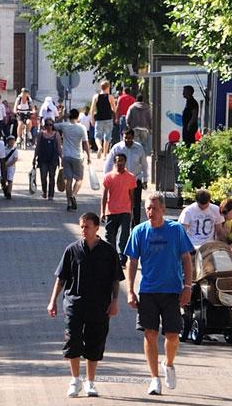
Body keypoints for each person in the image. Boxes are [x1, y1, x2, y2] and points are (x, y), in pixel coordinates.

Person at [123, 192, 195, 396]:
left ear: (163, 209)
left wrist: (187, 287)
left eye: (154, 208)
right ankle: (154, 379)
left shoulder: (175, 230)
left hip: (172, 290)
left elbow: (186, 259)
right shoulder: (139, 231)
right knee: (150, 333)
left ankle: (168, 363)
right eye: (147, 208)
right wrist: (130, 290)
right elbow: (132, 261)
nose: (150, 212)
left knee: (172, 336)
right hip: (148, 291)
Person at [49, 210, 122, 399]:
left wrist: (115, 301)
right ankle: (75, 379)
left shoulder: (108, 251)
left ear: (97, 227)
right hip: (74, 304)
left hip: (99, 305)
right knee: (72, 340)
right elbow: (61, 278)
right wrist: (53, 301)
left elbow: (115, 279)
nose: (83, 230)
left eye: (87, 227)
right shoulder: (72, 249)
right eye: (81, 226)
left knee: (95, 343)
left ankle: (90, 382)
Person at [109, 129, 149, 224]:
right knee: (121, 203)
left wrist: (145, 179)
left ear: (133, 137)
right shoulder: (117, 148)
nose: (127, 140)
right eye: (125, 138)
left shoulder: (139, 148)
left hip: (135, 180)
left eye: (129, 138)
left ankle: (135, 226)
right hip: (120, 181)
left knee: (136, 204)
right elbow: (109, 163)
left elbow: (144, 164)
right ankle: (121, 223)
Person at [102, 153, 138, 253]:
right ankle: (112, 256)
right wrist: (102, 212)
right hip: (111, 211)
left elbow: (132, 196)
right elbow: (104, 196)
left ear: (125, 162)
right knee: (110, 236)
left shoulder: (131, 177)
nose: (120, 163)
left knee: (124, 236)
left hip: (125, 211)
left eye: (122, 160)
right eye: (118, 160)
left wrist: (131, 212)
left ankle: (122, 257)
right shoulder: (108, 177)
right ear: (114, 162)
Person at [59, 106, 89, 211]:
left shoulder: (64, 126)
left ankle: (68, 204)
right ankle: (73, 195)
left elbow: (52, 124)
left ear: (69, 116)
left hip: (66, 156)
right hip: (77, 156)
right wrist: (89, 156)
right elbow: (85, 143)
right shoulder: (81, 128)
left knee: (68, 181)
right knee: (79, 179)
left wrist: (63, 116)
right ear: (78, 117)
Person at [32, 117, 62, 202]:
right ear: (44, 125)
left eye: (50, 125)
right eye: (47, 124)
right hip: (43, 158)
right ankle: (44, 192)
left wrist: (62, 158)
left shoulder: (56, 134)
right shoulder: (41, 134)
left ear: (53, 125)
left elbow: (59, 148)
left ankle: (51, 195)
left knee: (52, 177)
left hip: (53, 159)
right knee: (43, 176)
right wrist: (34, 158)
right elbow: (37, 147)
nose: (49, 126)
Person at [92, 83, 115, 150]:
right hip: (108, 118)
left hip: (99, 119)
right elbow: (114, 109)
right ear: (108, 87)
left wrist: (92, 119)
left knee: (97, 136)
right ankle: (105, 154)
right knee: (107, 137)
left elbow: (92, 109)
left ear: (101, 87)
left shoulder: (96, 96)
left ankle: (99, 147)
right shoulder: (110, 97)